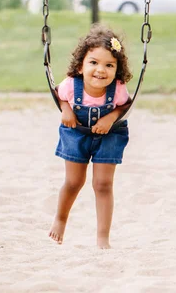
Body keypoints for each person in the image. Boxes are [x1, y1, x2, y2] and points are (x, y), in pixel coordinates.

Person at [48, 25, 132, 249]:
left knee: (103, 184)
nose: (100, 70)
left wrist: (110, 117)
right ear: (80, 65)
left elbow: (125, 105)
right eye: (93, 62)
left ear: (117, 69)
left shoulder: (119, 89)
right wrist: (66, 110)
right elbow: (60, 96)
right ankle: (61, 219)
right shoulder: (71, 85)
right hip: (76, 132)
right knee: (74, 182)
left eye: (109, 65)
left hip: (110, 134)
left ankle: (103, 237)